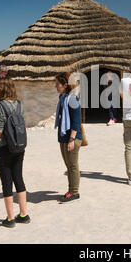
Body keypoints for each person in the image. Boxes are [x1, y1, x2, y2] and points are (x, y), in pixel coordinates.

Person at [0, 78, 30, 228]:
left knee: (6, 181)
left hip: (4, 148)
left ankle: (10, 218)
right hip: (19, 147)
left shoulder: (0, 105)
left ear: (3, 89)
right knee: (18, 178)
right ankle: (24, 214)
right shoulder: (19, 104)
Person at [54, 72, 83, 203]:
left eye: (57, 84)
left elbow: (76, 122)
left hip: (72, 138)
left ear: (65, 85)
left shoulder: (72, 99)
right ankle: (71, 190)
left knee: (72, 165)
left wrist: (71, 139)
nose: (55, 86)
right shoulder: (63, 98)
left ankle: (74, 192)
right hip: (63, 136)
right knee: (68, 165)